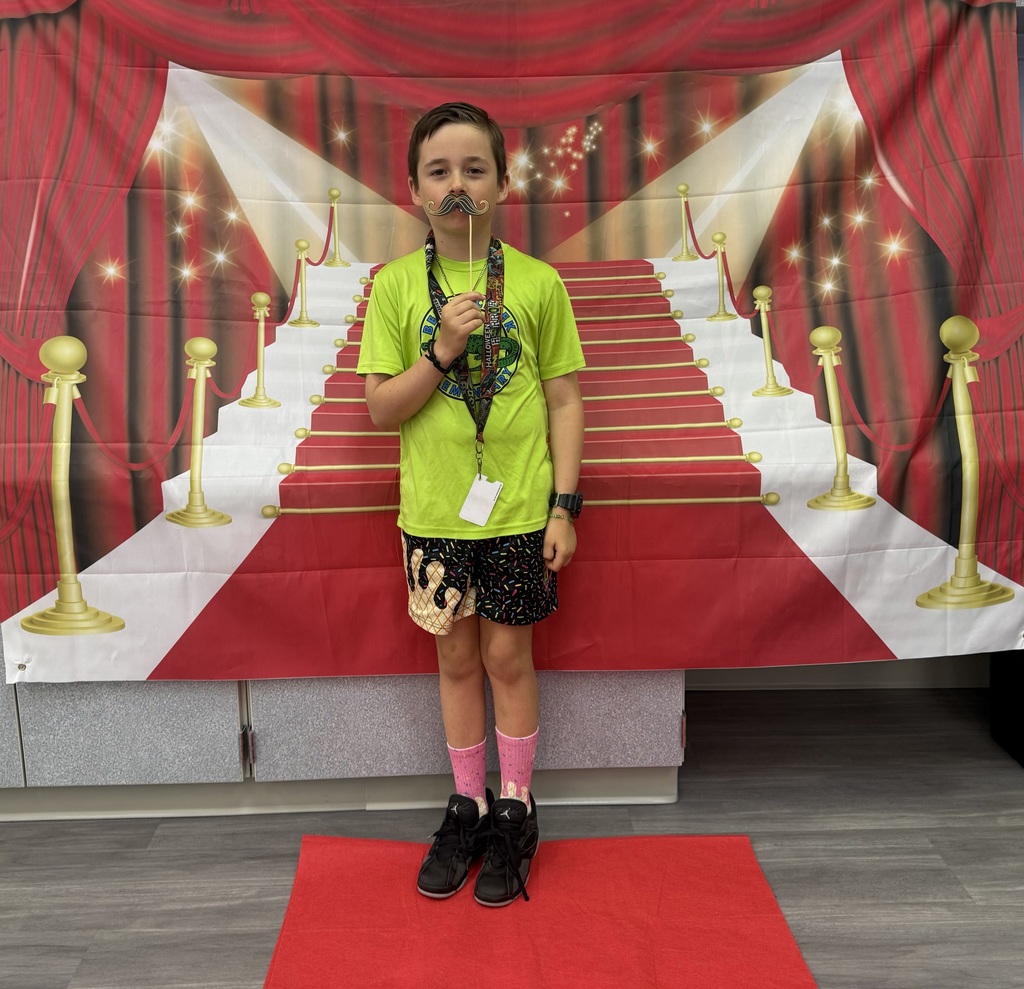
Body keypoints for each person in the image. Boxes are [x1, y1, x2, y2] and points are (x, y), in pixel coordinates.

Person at [356, 102, 585, 907]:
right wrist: (443, 350)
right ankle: (468, 804)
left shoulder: (537, 282)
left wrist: (565, 506)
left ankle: (517, 806)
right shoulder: (391, 288)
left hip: (521, 514)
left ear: (503, 183)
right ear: (415, 189)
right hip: (434, 520)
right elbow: (383, 410)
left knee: (506, 658)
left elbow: (563, 400)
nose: (458, 186)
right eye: (440, 172)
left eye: (475, 170)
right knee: (454, 658)